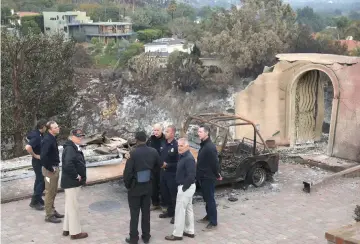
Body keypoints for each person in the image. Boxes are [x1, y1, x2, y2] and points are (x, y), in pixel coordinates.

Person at [123, 131, 162, 244]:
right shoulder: (153, 151)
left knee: (134, 214)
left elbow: (128, 173)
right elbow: (158, 165)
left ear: (136, 140)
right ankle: (146, 236)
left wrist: (128, 185)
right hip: (148, 187)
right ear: (146, 139)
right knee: (146, 213)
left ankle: (134, 238)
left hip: (135, 188)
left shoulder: (133, 153)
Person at [165, 138, 196, 241]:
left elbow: (191, 176)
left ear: (187, 146)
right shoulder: (183, 156)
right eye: (178, 145)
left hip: (186, 187)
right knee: (188, 209)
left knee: (179, 211)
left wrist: (183, 188)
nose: (179, 147)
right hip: (186, 187)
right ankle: (189, 231)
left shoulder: (188, 158)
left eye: (181, 146)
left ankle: (177, 234)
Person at [61, 129, 88, 240]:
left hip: (70, 182)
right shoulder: (70, 148)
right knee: (74, 208)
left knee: (69, 206)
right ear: (72, 136)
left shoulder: (73, 147)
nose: (80, 138)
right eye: (78, 136)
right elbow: (68, 165)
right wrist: (76, 176)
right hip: (71, 182)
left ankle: (67, 229)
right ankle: (75, 233)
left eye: (81, 136)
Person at [196, 125, 222, 231]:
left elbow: (215, 163)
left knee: (210, 199)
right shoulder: (203, 145)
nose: (199, 133)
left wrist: (217, 174)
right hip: (202, 176)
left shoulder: (210, 147)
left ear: (207, 133)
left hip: (208, 177)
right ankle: (208, 216)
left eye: (201, 132)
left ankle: (213, 221)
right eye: (198, 131)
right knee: (206, 198)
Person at [41, 121, 64, 223]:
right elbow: (43, 157)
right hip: (49, 171)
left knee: (53, 191)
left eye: (57, 126)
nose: (58, 128)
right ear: (50, 130)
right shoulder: (47, 140)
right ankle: (49, 215)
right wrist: (50, 168)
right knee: (49, 192)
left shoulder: (52, 138)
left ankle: (52, 211)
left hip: (54, 168)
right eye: (55, 127)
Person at [25, 119, 47, 211]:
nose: (47, 128)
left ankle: (38, 199)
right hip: (37, 161)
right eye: (46, 126)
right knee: (42, 181)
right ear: (42, 126)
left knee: (39, 180)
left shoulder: (39, 134)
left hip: (39, 161)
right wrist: (35, 155)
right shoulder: (37, 136)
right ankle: (34, 202)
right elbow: (28, 147)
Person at [159, 125, 179, 224]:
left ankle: (176, 215)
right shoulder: (164, 143)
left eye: (167, 132)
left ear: (172, 133)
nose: (165, 133)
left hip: (172, 174)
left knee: (173, 196)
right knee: (165, 194)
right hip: (163, 174)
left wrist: (168, 165)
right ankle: (170, 212)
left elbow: (179, 163)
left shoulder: (176, 146)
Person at [146, 123, 166, 211]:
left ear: (161, 130)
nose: (156, 132)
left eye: (157, 130)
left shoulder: (165, 140)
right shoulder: (150, 140)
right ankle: (155, 203)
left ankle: (164, 204)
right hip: (152, 167)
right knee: (153, 186)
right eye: (154, 130)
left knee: (163, 186)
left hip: (162, 167)